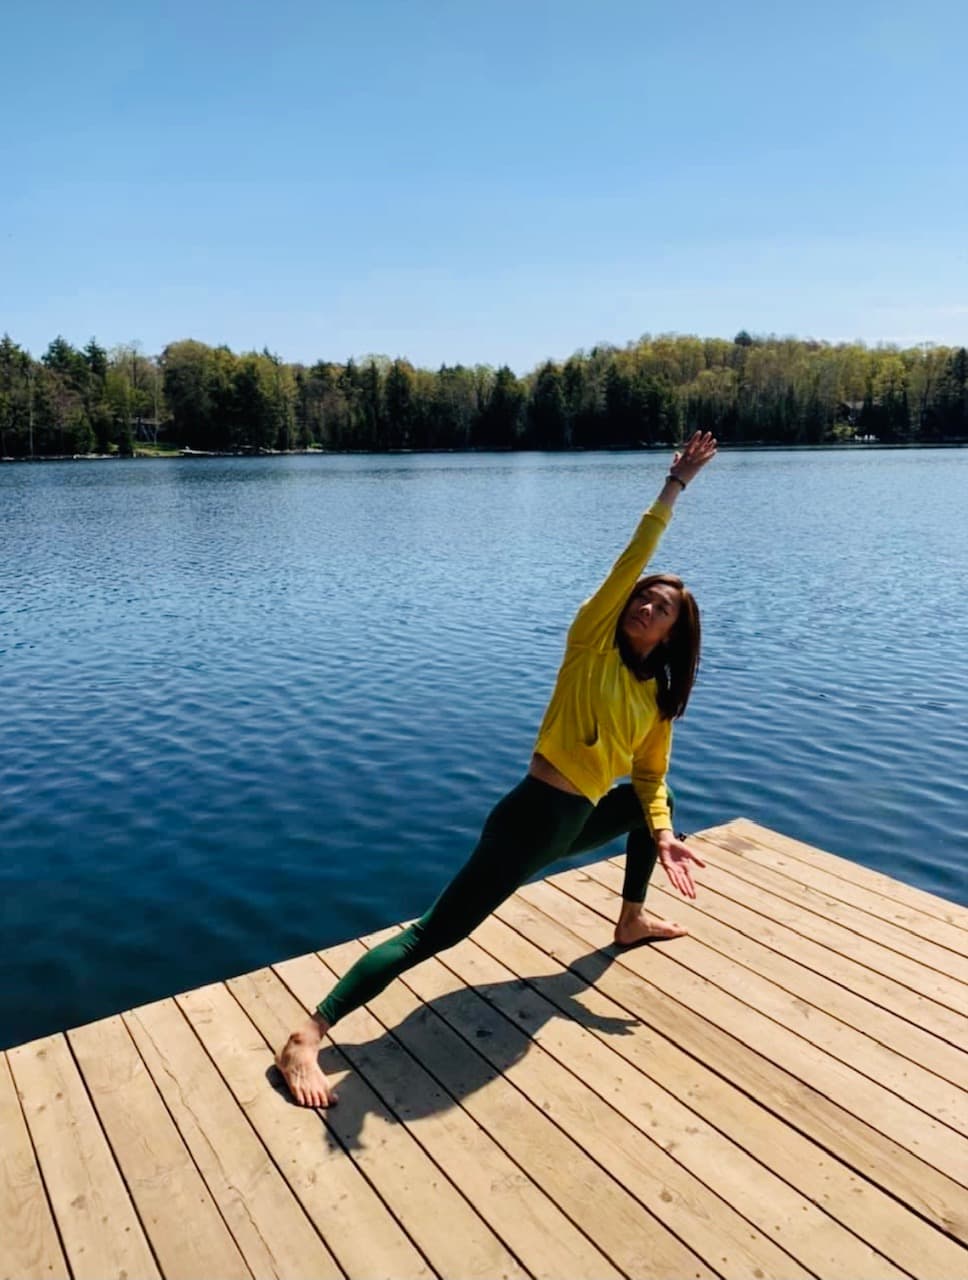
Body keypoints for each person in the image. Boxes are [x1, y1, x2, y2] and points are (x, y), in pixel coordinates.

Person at [278, 430, 718, 1106]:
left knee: (639, 804)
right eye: (640, 598)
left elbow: (653, 780)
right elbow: (633, 557)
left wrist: (662, 836)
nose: (642, 606)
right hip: (530, 820)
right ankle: (308, 1037)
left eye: (658, 607)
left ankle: (630, 919)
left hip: (570, 824)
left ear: (672, 634)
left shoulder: (655, 698)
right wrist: (674, 487)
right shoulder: (589, 647)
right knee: (434, 934)